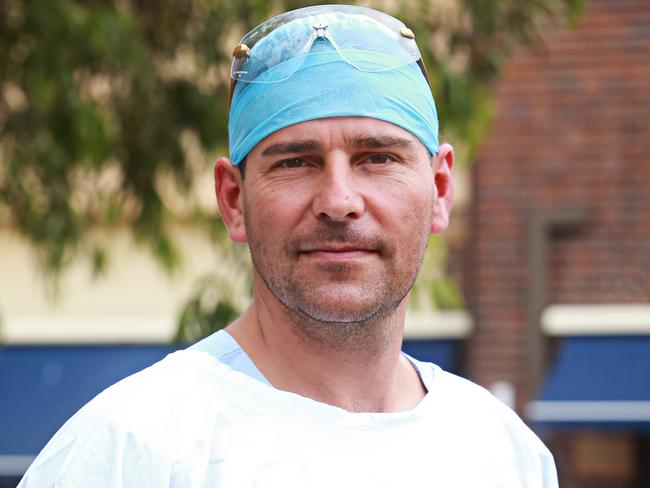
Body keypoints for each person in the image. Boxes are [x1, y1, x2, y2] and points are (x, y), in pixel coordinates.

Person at [19, 5, 557, 487]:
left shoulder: (505, 454)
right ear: (233, 200)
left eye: (378, 158)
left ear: (439, 189)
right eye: (296, 162)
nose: (339, 200)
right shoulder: (133, 448)